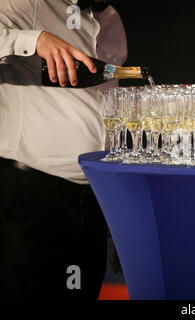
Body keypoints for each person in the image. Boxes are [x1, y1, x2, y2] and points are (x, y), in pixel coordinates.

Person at [0, 0, 127, 299]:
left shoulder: (111, 20)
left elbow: (104, 107)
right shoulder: (27, 3)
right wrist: (36, 39)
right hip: (30, 196)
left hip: (93, 197)